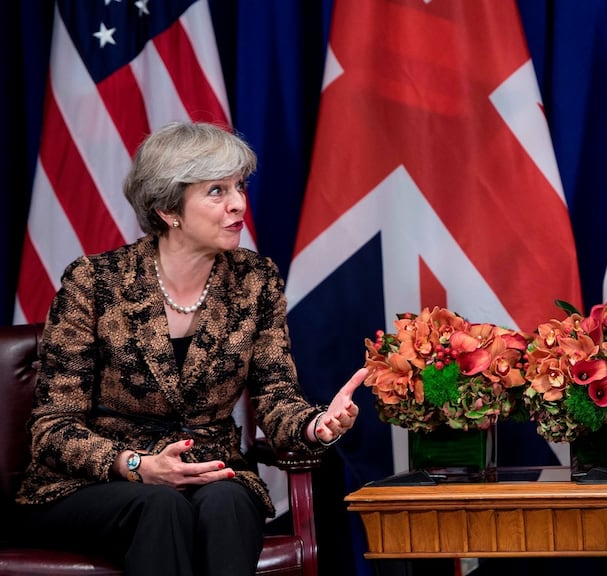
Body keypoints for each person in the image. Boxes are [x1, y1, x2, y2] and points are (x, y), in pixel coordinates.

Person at [14, 121, 367, 576]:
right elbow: (53, 427)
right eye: (217, 191)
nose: (239, 203)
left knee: (226, 502)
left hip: (213, 468)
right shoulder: (95, 282)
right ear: (167, 209)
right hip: (99, 480)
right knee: (161, 506)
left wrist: (317, 425)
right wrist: (135, 464)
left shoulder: (255, 280)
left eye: (239, 186)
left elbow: (276, 396)